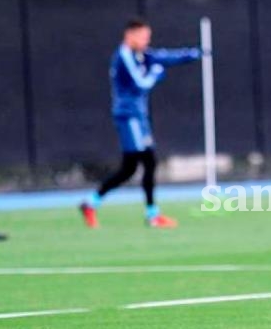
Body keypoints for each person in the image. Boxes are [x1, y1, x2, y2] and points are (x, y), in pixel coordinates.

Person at [79, 18, 201, 228]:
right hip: (128, 117)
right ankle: (152, 215)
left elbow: (165, 57)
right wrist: (155, 74)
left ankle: (91, 203)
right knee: (147, 162)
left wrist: (192, 54)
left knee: (130, 168)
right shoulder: (124, 56)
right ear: (130, 36)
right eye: (143, 36)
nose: (146, 41)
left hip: (139, 117)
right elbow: (140, 83)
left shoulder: (142, 54)